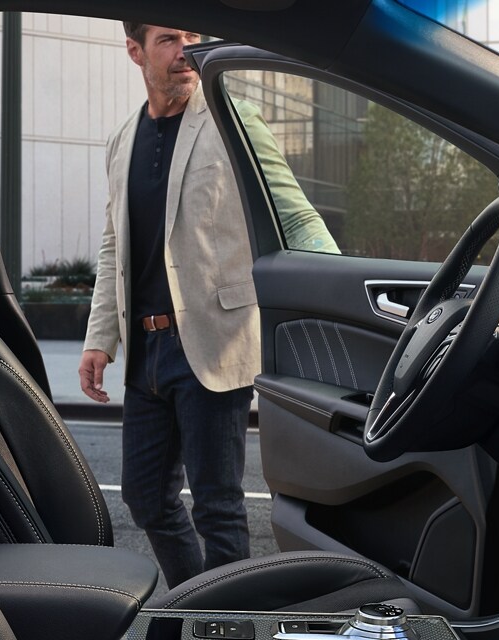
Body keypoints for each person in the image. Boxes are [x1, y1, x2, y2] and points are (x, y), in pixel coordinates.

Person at [79, 21, 337, 587]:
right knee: (146, 499)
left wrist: (335, 294)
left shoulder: (234, 122)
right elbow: (113, 245)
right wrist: (100, 339)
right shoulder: (121, 141)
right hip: (145, 349)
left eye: (193, 37)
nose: (187, 51)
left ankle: (226, 627)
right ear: (135, 51)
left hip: (214, 342)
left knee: (218, 507)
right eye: (169, 39)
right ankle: (195, 600)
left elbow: (294, 215)